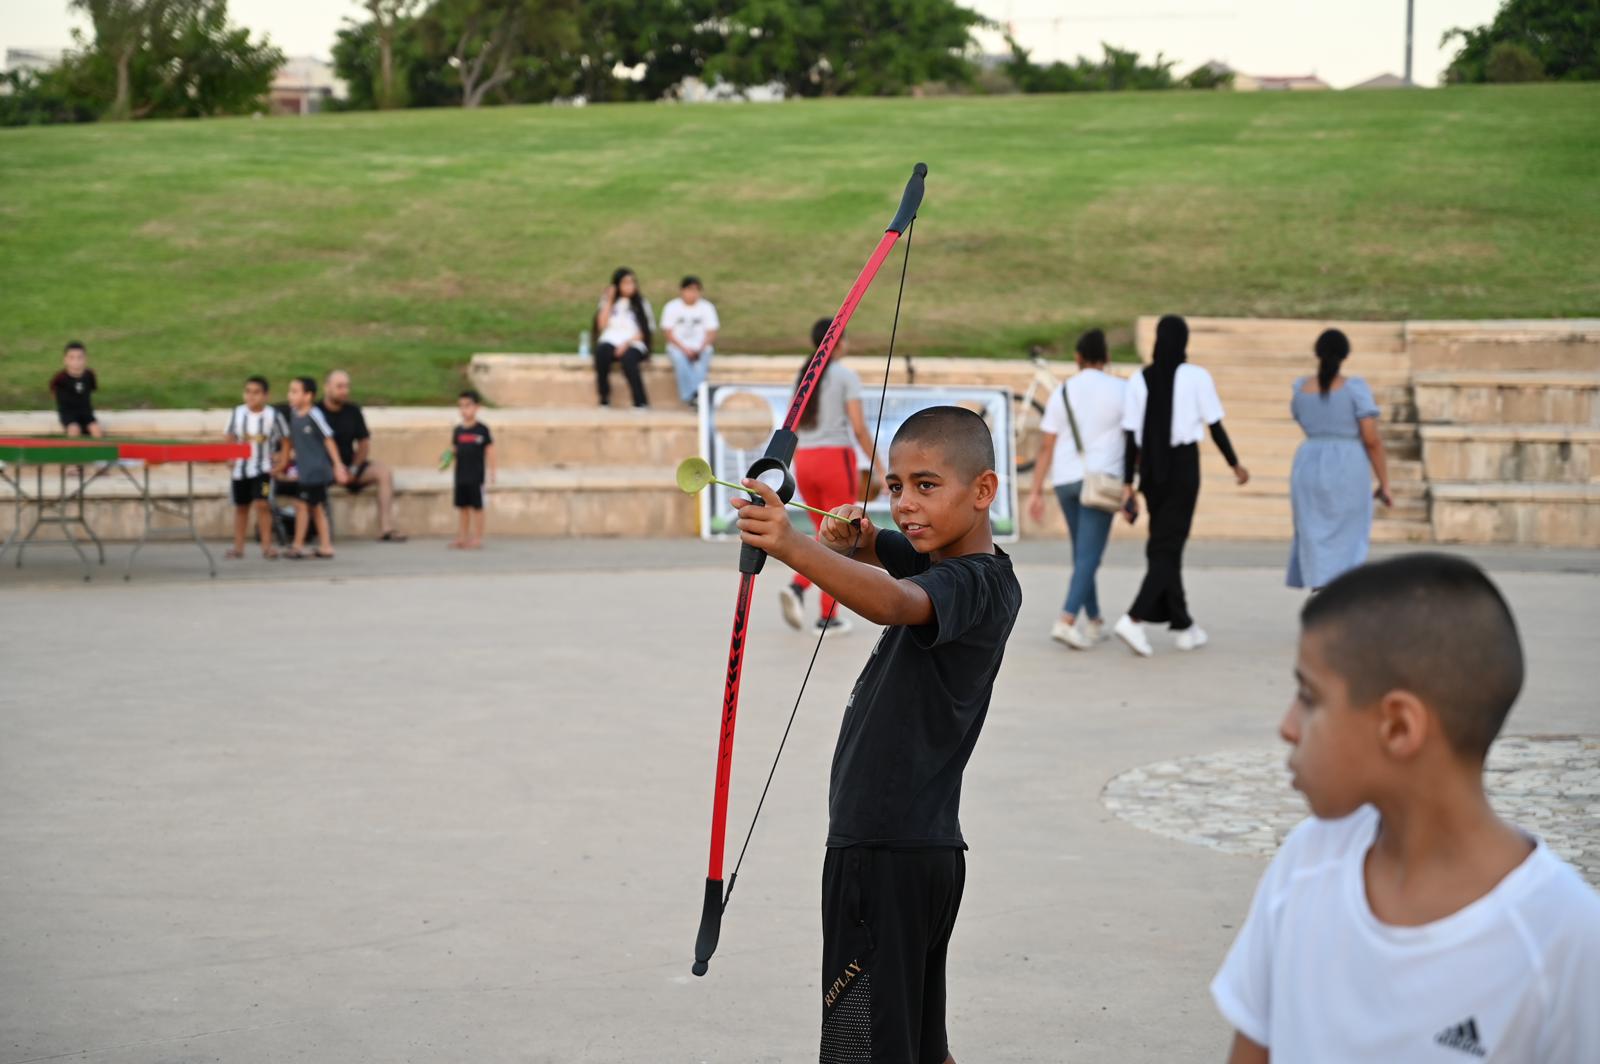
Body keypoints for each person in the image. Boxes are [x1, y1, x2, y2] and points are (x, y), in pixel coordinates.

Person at [1212, 554, 1600, 1064]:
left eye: (1309, 697)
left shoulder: (1564, 937)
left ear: (1398, 727)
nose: (1287, 725)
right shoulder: (1305, 863)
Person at [731, 405, 1022, 1064]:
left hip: (884, 855)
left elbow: (894, 601)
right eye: (893, 487)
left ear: (983, 491)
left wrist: (791, 545)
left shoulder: (973, 583)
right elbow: (881, 552)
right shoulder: (950, 564)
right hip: (916, 852)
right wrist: (851, 535)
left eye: (927, 485)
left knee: (868, 1051)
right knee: (919, 1046)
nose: (905, 504)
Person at [1113, 315, 1249, 657]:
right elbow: (1215, 425)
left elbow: (1131, 436)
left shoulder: (1139, 379)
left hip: (1153, 471)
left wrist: (1129, 483)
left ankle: (1184, 625)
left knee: (1163, 545)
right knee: (1168, 547)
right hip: (1184, 468)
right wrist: (1235, 464)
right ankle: (1134, 618)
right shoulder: (1197, 376)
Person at [775, 318, 887, 635]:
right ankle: (822, 609)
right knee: (839, 535)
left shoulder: (804, 375)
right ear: (839, 342)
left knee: (824, 534)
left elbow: (791, 424)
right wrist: (880, 466)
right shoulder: (845, 375)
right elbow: (859, 426)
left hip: (805, 460)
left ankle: (809, 595)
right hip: (834, 458)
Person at [1025, 329, 1128, 650]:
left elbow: (1046, 445)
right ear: (1107, 357)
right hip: (1100, 481)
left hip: (1066, 480)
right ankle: (1067, 620)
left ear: (1078, 358)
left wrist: (1037, 490)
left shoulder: (1063, 392)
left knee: (1083, 554)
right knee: (1089, 556)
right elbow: (1134, 438)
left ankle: (1094, 620)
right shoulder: (1122, 390)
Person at [1287, 328, 1393, 591]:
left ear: (1317, 353)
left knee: (1314, 534)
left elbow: (1302, 419)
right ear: (1345, 354)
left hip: (1308, 463)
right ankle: (1342, 595)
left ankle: (1319, 590)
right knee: (1348, 536)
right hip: (1347, 465)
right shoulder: (1355, 389)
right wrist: (1384, 483)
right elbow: (1371, 439)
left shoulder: (1301, 389)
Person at [320, 370, 406, 542]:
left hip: (350, 466)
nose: (344, 391)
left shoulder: (353, 411)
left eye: (347, 386)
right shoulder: (316, 412)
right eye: (339, 386)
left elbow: (364, 444)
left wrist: (354, 468)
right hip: (324, 468)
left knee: (383, 472)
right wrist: (336, 469)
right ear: (327, 388)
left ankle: (386, 528)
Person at [280, 376, 348, 559]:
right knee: (315, 507)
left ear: (308, 396)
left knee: (302, 505)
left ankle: (298, 545)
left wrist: (338, 464)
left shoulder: (314, 415)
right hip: (305, 471)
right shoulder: (294, 415)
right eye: (290, 391)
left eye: (295, 392)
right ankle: (325, 546)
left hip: (316, 471)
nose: (290, 395)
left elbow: (328, 439)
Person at [223, 375, 287, 560]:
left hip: (263, 469)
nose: (251, 397)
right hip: (241, 469)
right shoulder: (237, 413)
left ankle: (267, 547)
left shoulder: (273, 415)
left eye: (256, 393)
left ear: (266, 395)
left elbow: (286, 438)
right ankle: (238, 547)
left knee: (262, 503)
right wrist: (230, 455)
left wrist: (282, 460)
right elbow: (229, 435)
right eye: (248, 392)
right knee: (241, 506)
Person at [593, 267, 655, 409]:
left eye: (632, 282)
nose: (630, 286)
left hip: (634, 342)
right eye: (626, 282)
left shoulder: (642, 304)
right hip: (611, 340)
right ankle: (604, 397)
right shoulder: (608, 302)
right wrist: (609, 299)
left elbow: (645, 330)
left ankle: (640, 401)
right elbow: (601, 325)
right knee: (602, 353)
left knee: (629, 358)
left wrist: (626, 344)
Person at [661, 275, 720, 407]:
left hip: (701, 346)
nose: (693, 293)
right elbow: (668, 332)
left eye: (696, 290)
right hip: (678, 347)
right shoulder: (672, 307)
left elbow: (712, 332)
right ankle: (696, 395)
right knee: (680, 360)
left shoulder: (707, 307)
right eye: (689, 289)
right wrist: (685, 349)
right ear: (682, 290)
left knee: (701, 363)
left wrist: (700, 348)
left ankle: (695, 396)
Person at [447, 389, 496, 550]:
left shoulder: (482, 430)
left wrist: (492, 472)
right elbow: (454, 449)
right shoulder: (458, 431)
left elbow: (490, 450)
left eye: (468, 406)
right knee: (463, 508)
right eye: (461, 406)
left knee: (477, 508)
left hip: (477, 476)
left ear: (477, 407)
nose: (464, 410)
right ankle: (462, 537)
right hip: (461, 476)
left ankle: (477, 538)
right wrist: (446, 458)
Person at [50, 341, 103, 438]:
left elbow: (91, 389)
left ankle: (97, 451)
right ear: (65, 360)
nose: (76, 362)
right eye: (72, 358)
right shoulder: (60, 379)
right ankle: (73, 451)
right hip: (68, 413)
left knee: (96, 429)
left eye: (80, 357)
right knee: (74, 430)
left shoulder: (89, 375)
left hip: (86, 412)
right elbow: (54, 393)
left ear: (85, 359)